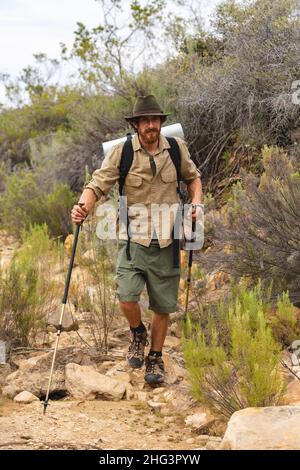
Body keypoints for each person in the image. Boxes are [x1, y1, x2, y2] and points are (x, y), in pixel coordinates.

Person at [71, 95, 202, 385]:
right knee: (127, 296)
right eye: (145, 121)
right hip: (132, 240)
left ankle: (155, 357)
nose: (151, 125)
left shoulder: (176, 149)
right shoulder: (123, 152)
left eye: (155, 120)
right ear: (136, 125)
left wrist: (196, 205)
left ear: (161, 123)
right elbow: (97, 184)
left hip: (167, 239)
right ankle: (137, 333)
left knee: (162, 306)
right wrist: (82, 207)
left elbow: (194, 179)